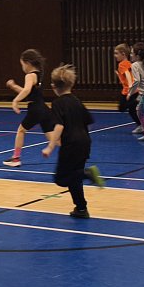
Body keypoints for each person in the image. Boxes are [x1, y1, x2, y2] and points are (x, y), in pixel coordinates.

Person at [42, 64, 105, 219]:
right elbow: (88, 122)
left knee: (61, 178)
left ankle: (87, 174)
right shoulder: (77, 101)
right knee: (74, 178)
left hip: (71, 145)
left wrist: (50, 146)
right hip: (84, 143)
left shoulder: (57, 103)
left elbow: (59, 126)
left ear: (53, 86)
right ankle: (81, 208)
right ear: (72, 84)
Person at [2, 48, 55, 167]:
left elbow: (26, 91)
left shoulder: (30, 75)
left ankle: (16, 158)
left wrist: (15, 100)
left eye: (22, 65)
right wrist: (14, 86)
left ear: (27, 63)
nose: (22, 68)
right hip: (44, 109)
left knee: (21, 130)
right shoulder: (38, 75)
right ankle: (73, 149)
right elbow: (28, 92)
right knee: (54, 139)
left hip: (35, 108)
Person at [114, 43, 140, 132]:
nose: (115, 56)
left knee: (121, 108)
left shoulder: (122, 64)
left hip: (128, 91)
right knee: (132, 111)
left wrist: (130, 88)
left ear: (123, 54)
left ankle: (137, 101)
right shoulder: (129, 63)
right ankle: (141, 125)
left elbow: (128, 75)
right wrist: (119, 75)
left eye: (116, 53)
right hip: (135, 90)